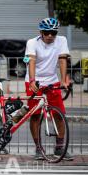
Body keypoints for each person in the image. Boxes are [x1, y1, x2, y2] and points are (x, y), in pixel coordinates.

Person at [25, 17, 73, 161]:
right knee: (35, 115)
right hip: (34, 82)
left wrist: (64, 79)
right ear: (41, 32)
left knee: (59, 115)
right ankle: (38, 148)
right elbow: (31, 61)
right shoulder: (32, 42)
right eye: (47, 32)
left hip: (52, 80)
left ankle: (59, 148)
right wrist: (33, 80)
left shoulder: (62, 40)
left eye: (53, 32)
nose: (50, 35)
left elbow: (62, 59)